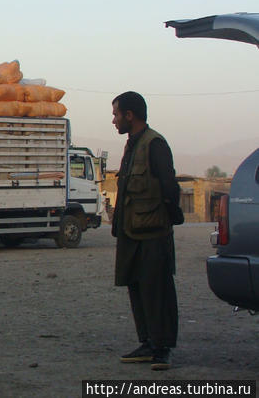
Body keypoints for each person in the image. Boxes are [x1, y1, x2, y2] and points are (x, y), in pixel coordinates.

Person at [111, 92, 183, 371]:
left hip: (153, 231)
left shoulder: (155, 144)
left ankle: (162, 348)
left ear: (130, 115)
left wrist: (169, 218)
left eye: (117, 114)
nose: (114, 120)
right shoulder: (132, 145)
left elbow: (169, 186)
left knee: (158, 288)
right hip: (131, 231)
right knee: (136, 286)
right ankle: (147, 342)